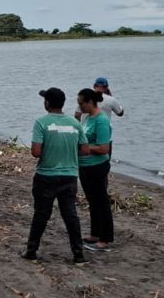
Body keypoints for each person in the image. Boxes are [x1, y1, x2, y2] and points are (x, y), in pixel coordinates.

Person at [21, 88, 89, 266]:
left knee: (41, 215)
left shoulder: (41, 122)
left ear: (47, 103)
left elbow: (35, 152)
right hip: (69, 176)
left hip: (46, 175)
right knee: (70, 216)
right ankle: (78, 255)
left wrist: (51, 150)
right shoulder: (75, 124)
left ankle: (31, 251)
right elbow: (85, 150)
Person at [76, 88, 114, 252]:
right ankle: (95, 233)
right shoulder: (87, 117)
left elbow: (104, 148)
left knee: (101, 201)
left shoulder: (101, 120)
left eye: (81, 103)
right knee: (92, 200)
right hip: (85, 165)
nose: (79, 106)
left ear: (91, 102)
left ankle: (105, 238)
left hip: (97, 166)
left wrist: (85, 149)